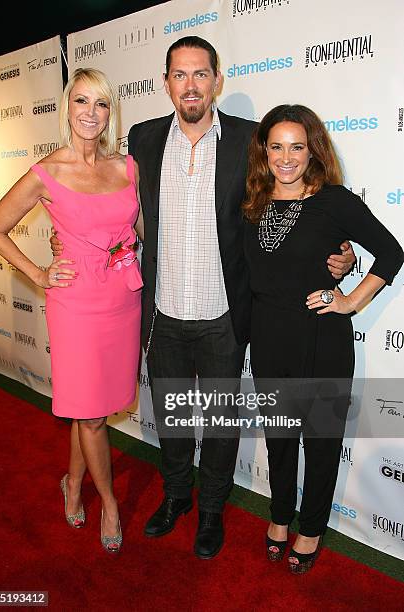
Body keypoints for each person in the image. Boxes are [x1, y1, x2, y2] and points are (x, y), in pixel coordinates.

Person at [51, 37, 355, 560]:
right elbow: (113, 208)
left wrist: (338, 250)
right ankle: (175, 499)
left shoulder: (250, 140)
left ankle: (211, 510)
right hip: (163, 312)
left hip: (224, 314)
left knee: (216, 424)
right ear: (166, 82)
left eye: (200, 74)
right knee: (171, 418)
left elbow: (288, 200)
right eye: (179, 75)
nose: (190, 85)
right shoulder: (142, 141)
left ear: (216, 80)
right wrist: (67, 241)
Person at [0, 68, 143, 554]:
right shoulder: (46, 172)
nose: (90, 113)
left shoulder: (127, 168)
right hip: (76, 307)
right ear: (67, 109)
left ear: (109, 112)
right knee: (91, 414)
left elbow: (132, 226)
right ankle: (110, 504)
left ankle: (72, 485)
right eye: (81, 102)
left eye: (100, 103)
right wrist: (38, 272)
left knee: (89, 407)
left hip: (123, 298)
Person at [243, 104, 403, 573]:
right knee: (279, 437)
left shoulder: (335, 201)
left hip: (321, 339)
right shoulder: (252, 200)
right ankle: (278, 518)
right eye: (276, 146)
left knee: (321, 441)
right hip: (269, 339)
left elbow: (391, 252)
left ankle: (310, 529)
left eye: (297, 146)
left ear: (313, 150)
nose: (286, 157)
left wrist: (351, 301)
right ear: (264, 151)